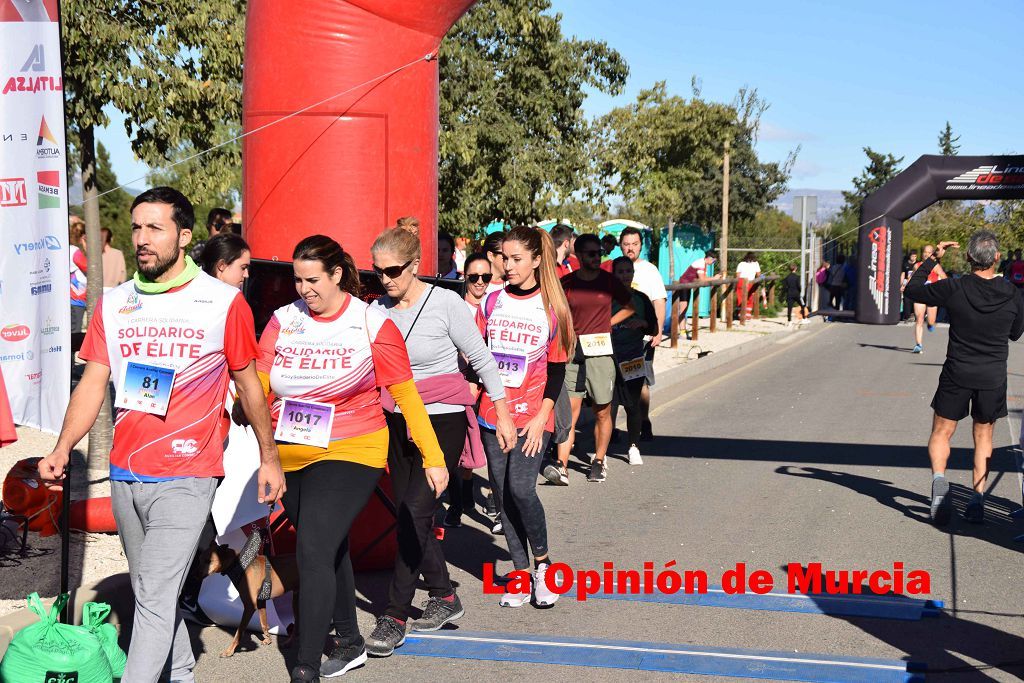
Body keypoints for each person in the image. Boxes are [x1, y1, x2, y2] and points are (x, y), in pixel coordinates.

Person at [38, 187, 285, 683]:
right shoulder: (116, 302)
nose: (143, 239)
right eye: (137, 228)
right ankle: (179, 672)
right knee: (152, 587)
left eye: (156, 228)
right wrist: (62, 446)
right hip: (127, 470)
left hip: (190, 469)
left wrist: (268, 455)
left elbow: (248, 384)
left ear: (185, 236)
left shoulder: (223, 301)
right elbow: (93, 381)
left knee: (152, 593)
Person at [256, 235, 444, 681]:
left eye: (313, 280)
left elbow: (405, 394)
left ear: (337, 274)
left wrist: (433, 456)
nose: (304, 290)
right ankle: (349, 639)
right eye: (297, 280)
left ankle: (305, 664)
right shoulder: (283, 321)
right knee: (328, 544)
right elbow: (258, 385)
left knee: (313, 547)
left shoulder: (371, 323)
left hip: (353, 447)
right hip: (292, 451)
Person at [367, 227, 515, 655]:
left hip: (443, 419)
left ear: (415, 265)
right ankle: (444, 596)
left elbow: (482, 359)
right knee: (409, 515)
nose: (385, 279)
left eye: (393, 270)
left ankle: (394, 615)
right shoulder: (376, 310)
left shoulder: (446, 302)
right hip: (396, 419)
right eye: (378, 272)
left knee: (416, 509)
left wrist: (502, 412)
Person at [477, 225, 574, 607]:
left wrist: (541, 416)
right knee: (502, 496)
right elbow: (478, 358)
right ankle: (519, 575)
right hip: (493, 414)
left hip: (535, 415)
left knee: (522, 489)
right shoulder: (491, 302)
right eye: (505, 257)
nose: (508, 265)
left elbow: (558, 370)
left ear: (536, 260)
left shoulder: (553, 308)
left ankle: (544, 567)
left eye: (517, 258)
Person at [905, 234, 1024, 526]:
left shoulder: (954, 287)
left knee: (942, 432)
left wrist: (934, 258)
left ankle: (939, 480)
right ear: (997, 258)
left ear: (969, 258)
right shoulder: (1013, 295)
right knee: (984, 437)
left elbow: (913, 290)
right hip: (992, 376)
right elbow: (1016, 332)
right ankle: (977, 499)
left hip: (957, 371)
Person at [178, 231, 256, 626]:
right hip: (205, 429)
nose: (247, 276)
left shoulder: (187, 298)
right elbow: (245, 372)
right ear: (222, 267)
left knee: (208, 518)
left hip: (203, 428)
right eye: (242, 268)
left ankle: (189, 600)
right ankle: (186, 601)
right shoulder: (228, 304)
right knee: (204, 519)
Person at [546, 233, 634, 485]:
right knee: (569, 413)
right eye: (592, 254)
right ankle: (561, 466)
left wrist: (608, 324)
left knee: (602, 411)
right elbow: (556, 310)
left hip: (600, 353)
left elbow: (629, 307)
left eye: (599, 253)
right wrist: (566, 332)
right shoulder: (569, 282)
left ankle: (598, 461)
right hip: (573, 353)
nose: (597, 258)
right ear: (580, 256)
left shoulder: (608, 281)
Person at [462, 252, 501, 525]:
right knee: (462, 446)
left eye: (485, 277)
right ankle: (461, 501)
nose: (479, 282)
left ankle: (496, 502)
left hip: (491, 385)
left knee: (493, 448)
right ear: (464, 276)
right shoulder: (453, 304)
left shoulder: (497, 305)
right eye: (474, 277)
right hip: (462, 383)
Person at [609, 256, 658, 464]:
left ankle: (633, 446)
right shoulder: (605, 298)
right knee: (606, 405)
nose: (624, 275)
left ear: (633, 274)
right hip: (609, 358)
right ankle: (604, 446)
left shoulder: (641, 299)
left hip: (633, 357)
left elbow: (654, 328)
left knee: (632, 404)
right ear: (613, 274)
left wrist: (642, 322)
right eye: (620, 272)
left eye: (628, 271)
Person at [617, 227, 665, 441]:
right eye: (626, 244)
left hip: (642, 339)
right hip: (616, 340)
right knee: (614, 385)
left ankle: (642, 421)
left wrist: (658, 330)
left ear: (640, 245)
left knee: (641, 381)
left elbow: (659, 301)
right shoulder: (614, 267)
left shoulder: (650, 270)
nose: (630, 248)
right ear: (621, 245)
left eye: (634, 244)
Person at [911, 245, 947, 353]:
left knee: (931, 321)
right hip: (919, 294)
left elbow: (944, 277)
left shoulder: (935, 266)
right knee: (919, 319)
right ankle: (918, 345)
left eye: (929, 252)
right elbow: (911, 278)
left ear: (932, 254)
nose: (926, 254)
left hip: (932, 295)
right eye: (924, 252)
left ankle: (931, 324)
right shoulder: (917, 266)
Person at [675, 251, 717, 327]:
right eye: (714, 261)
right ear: (709, 258)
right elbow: (702, 279)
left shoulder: (703, 263)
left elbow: (705, 278)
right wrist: (714, 278)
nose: (714, 263)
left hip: (688, 285)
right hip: (684, 285)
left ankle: (682, 330)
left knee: (685, 309)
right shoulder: (700, 263)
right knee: (683, 309)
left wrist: (712, 279)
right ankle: (681, 331)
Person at [68, 217, 88, 333]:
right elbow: (90, 268)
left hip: (74, 298)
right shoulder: (75, 252)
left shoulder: (69, 249)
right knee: (75, 332)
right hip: (76, 299)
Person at [736, 252, 762, 320]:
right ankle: (747, 315)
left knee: (740, 298)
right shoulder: (756, 264)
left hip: (741, 282)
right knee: (749, 298)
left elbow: (738, 275)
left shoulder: (741, 264)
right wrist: (761, 277)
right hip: (750, 282)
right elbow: (758, 274)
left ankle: (740, 314)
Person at [900, 250, 919, 321]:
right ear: (909, 256)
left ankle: (915, 314)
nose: (914, 258)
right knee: (906, 301)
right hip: (906, 284)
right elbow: (903, 274)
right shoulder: (905, 264)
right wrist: (901, 285)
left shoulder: (918, 264)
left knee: (915, 300)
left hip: (915, 284)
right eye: (913, 256)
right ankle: (907, 315)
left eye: (915, 256)